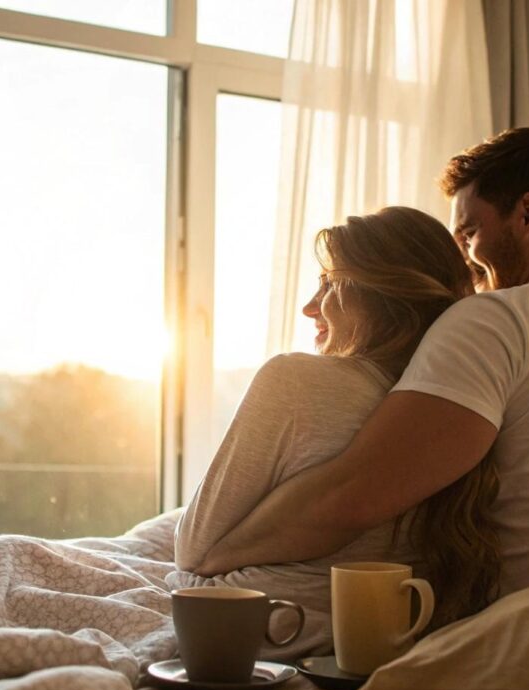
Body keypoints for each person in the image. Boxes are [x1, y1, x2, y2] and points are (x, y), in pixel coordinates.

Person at [195, 128, 529, 597]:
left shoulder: (501, 320)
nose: (467, 264)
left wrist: (212, 558)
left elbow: (350, 497)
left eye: (470, 232)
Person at [170, 206, 501, 655]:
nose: (309, 307)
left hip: (262, 631)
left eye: (328, 284)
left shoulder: (294, 380)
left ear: (379, 294)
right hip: (385, 635)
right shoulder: (462, 407)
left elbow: (193, 550)